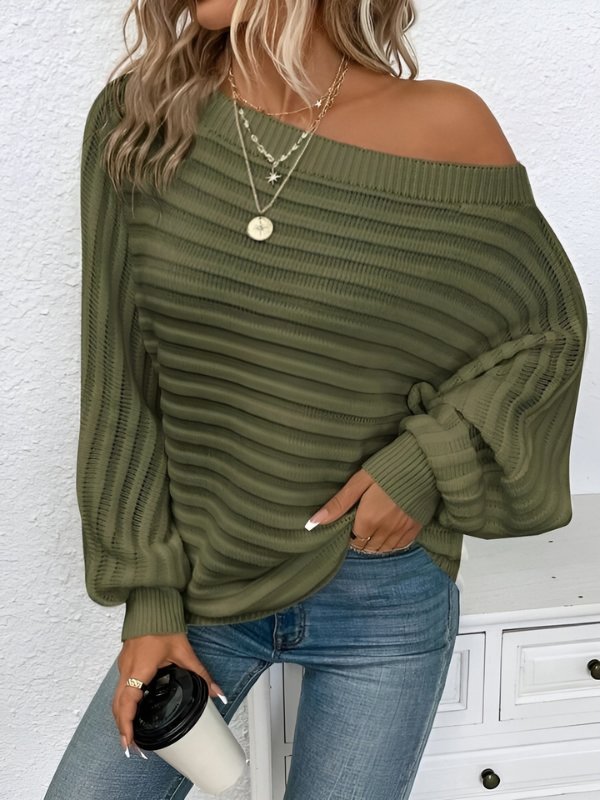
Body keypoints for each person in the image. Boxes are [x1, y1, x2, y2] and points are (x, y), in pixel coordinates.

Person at [45, 1, 588, 798]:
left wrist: (423, 464)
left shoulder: (445, 124)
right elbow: (121, 381)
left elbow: (546, 336)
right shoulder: (142, 120)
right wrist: (150, 603)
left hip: (379, 592)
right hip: (203, 585)